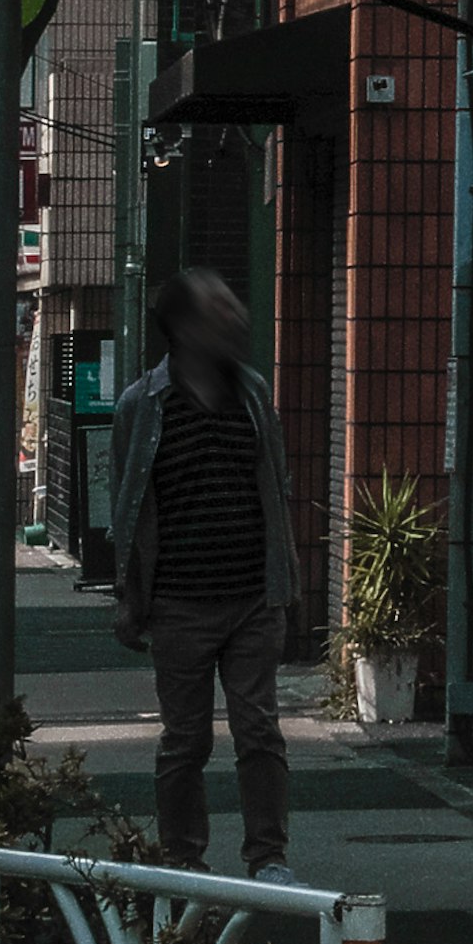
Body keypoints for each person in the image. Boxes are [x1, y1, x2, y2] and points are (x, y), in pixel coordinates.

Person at [108, 270, 301, 878]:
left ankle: (267, 858)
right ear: (186, 326)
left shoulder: (253, 394)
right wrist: (129, 597)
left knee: (260, 730)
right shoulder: (141, 406)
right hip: (179, 603)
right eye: (222, 306)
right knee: (185, 740)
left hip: (252, 594)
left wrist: (283, 585)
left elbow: (276, 485)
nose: (238, 315)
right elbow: (127, 506)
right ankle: (182, 861)